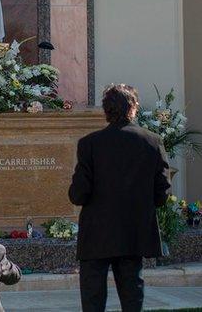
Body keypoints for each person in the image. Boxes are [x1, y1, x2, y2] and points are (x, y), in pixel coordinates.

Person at [68, 83, 172, 312]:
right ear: (132, 107)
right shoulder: (152, 141)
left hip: (97, 233)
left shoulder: (89, 144)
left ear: (106, 110)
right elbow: (162, 192)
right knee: (132, 296)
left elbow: (78, 194)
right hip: (133, 231)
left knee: (93, 300)